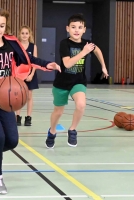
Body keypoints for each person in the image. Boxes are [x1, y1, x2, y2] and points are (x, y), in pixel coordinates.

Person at [0, 7, 60, 194]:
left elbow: (28, 59)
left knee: (12, 141)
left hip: (5, 97)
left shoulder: (11, 43)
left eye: (2, 25)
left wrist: (46, 65)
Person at [45, 13, 109, 149]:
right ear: (67, 28)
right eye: (73, 27)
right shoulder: (64, 43)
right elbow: (67, 64)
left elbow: (97, 50)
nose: (76, 30)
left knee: (81, 104)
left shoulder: (86, 44)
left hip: (78, 82)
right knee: (58, 111)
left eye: (80, 27)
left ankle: (72, 130)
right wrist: (83, 52)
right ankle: (52, 131)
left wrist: (103, 66)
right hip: (62, 83)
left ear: (84, 29)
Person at [15, 25, 38, 126]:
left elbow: (35, 62)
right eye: (22, 33)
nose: (24, 35)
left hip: (30, 75)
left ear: (29, 35)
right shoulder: (16, 46)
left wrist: (32, 74)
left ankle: (28, 117)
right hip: (19, 75)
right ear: (19, 35)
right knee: (19, 97)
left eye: (26, 33)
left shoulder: (33, 46)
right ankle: (17, 117)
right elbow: (14, 62)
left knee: (29, 96)